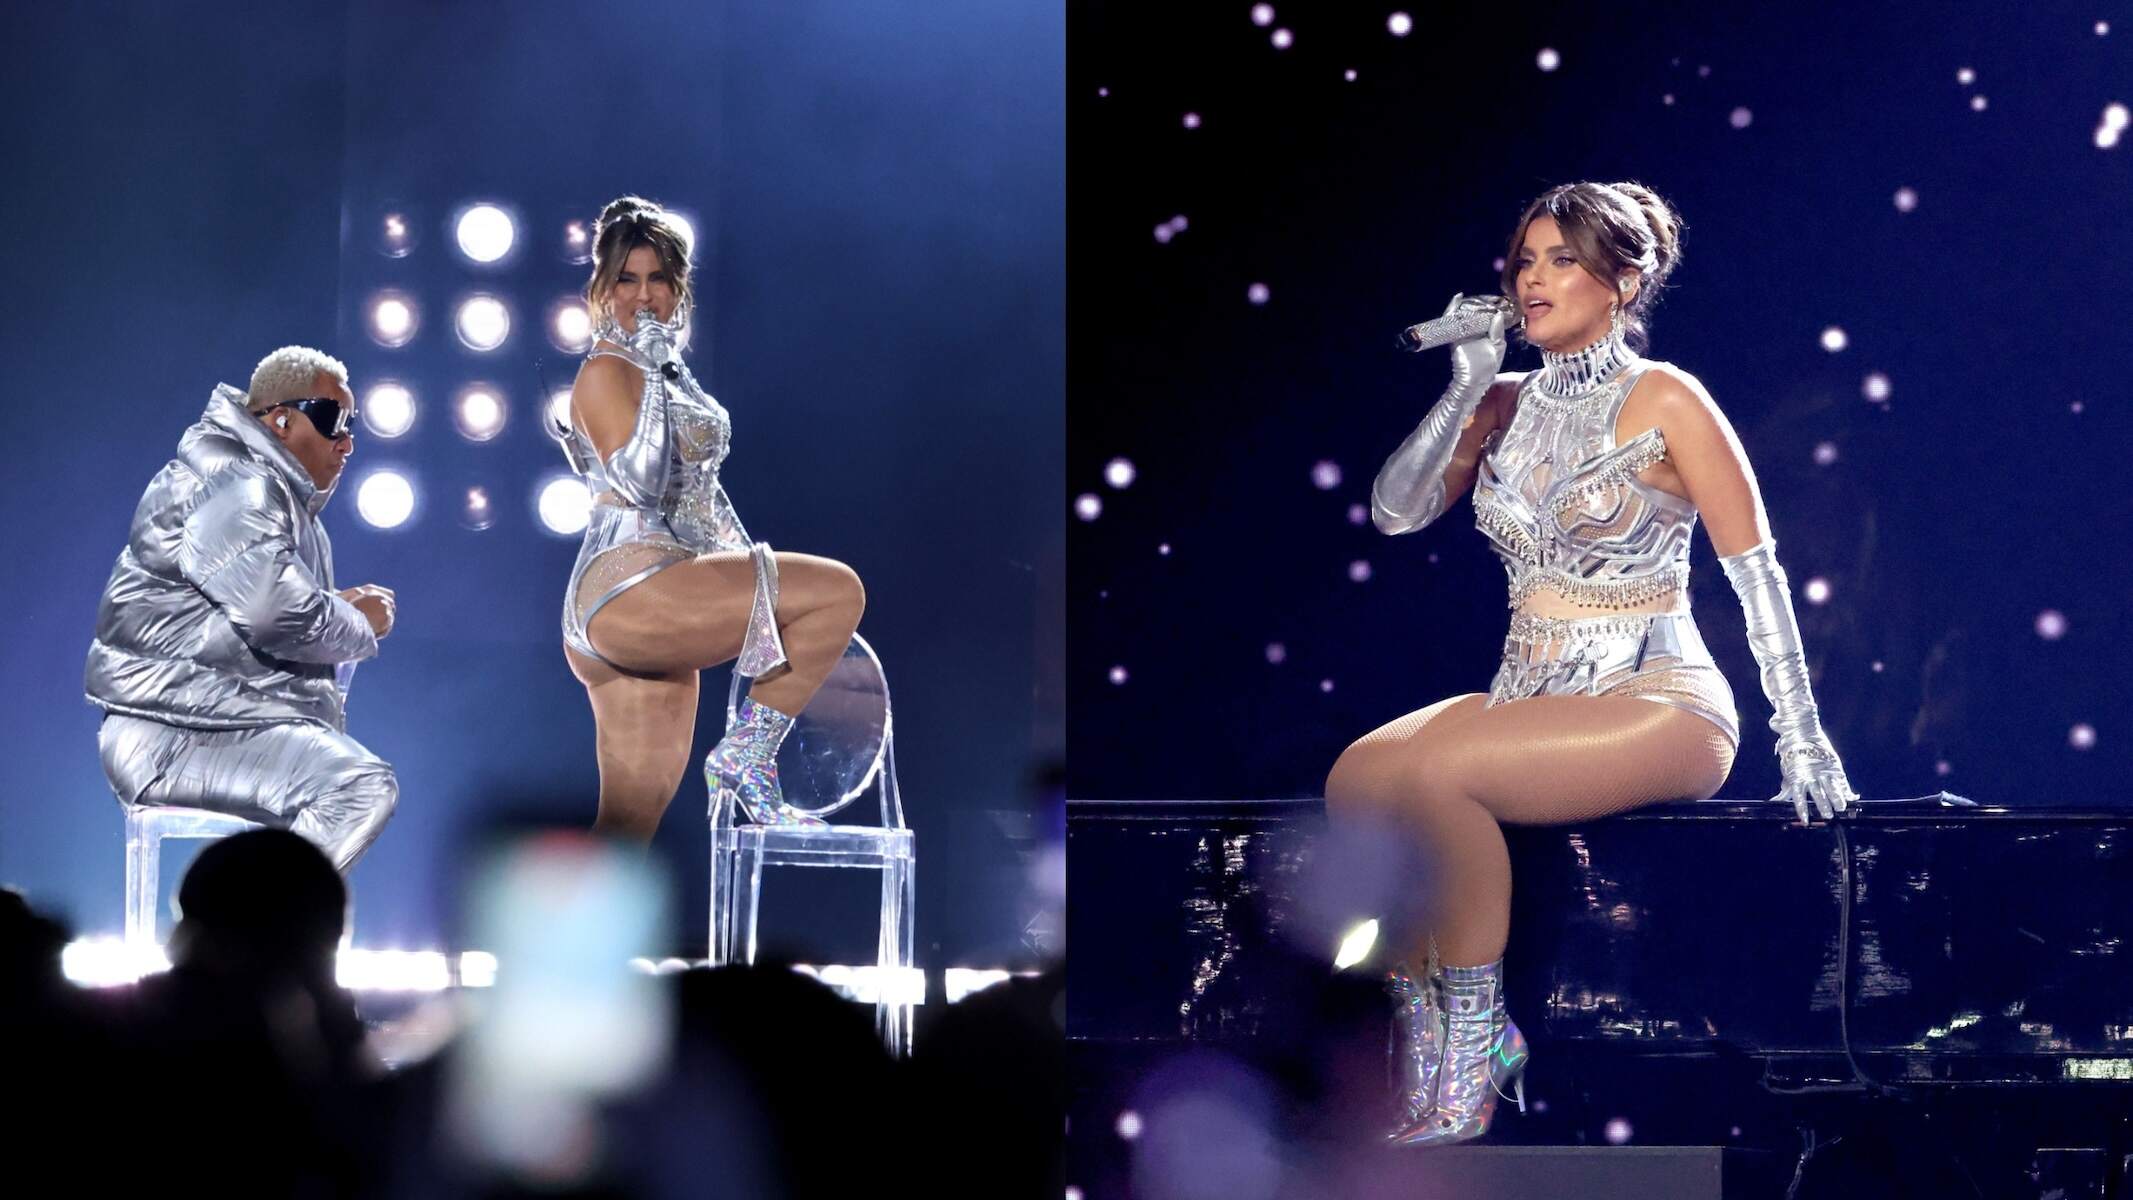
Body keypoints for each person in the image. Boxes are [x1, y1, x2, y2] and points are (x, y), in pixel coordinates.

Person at [1324, 181, 1857, 1147]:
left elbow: (1757, 572)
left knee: (1438, 774)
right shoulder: (1500, 402)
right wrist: (1463, 382)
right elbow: (1396, 512)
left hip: (1659, 701)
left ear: (1626, 279)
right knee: (1356, 779)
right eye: (1523, 261)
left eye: (1560, 260)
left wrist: (1803, 734)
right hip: (1530, 695)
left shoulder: (1667, 398)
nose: (1532, 281)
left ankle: (1481, 1044)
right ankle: (1427, 1028)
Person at [552, 195, 866, 838]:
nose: (645, 296)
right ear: (604, 291)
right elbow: (638, 482)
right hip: (629, 586)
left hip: (667, 591)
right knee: (838, 591)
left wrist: (749, 582)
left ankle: (569, 941)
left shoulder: (668, 373)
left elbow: (702, 496)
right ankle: (747, 759)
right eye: (627, 280)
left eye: (659, 280)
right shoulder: (608, 371)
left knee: (627, 830)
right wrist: (659, 364)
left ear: (678, 287)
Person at [86, 347, 398, 871]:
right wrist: (357, 622)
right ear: (281, 420)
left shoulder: (266, 491)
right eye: (333, 422)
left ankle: (230, 929)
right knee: (357, 788)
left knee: (349, 781)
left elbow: (237, 612)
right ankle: (237, 940)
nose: (347, 442)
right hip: (172, 734)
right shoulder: (239, 484)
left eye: (352, 426)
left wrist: (330, 608)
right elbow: (275, 615)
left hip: (204, 722)